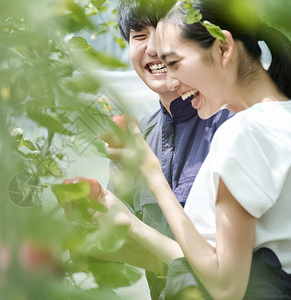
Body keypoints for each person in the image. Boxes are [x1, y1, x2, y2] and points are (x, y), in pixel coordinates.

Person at [106, 0, 291, 298]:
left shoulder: (240, 133)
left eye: (175, 62)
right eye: (139, 36)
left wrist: (152, 177)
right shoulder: (278, 118)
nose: (173, 80)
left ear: (222, 48)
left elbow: (225, 285)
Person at [108, 0, 231, 298]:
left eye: (165, 29)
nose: (152, 49)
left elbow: (233, 271)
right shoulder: (136, 136)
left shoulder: (233, 125)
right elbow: (147, 254)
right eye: (139, 36)